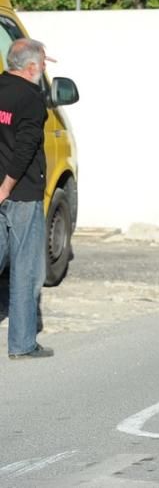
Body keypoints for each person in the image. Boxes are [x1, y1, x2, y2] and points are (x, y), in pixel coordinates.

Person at [1, 39, 53, 360]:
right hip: (20, 193)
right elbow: (24, 149)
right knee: (26, 269)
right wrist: (6, 188)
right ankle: (22, 344)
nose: (45, 68)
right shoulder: (31, 99)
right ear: (30, 68)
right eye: (42, 64)